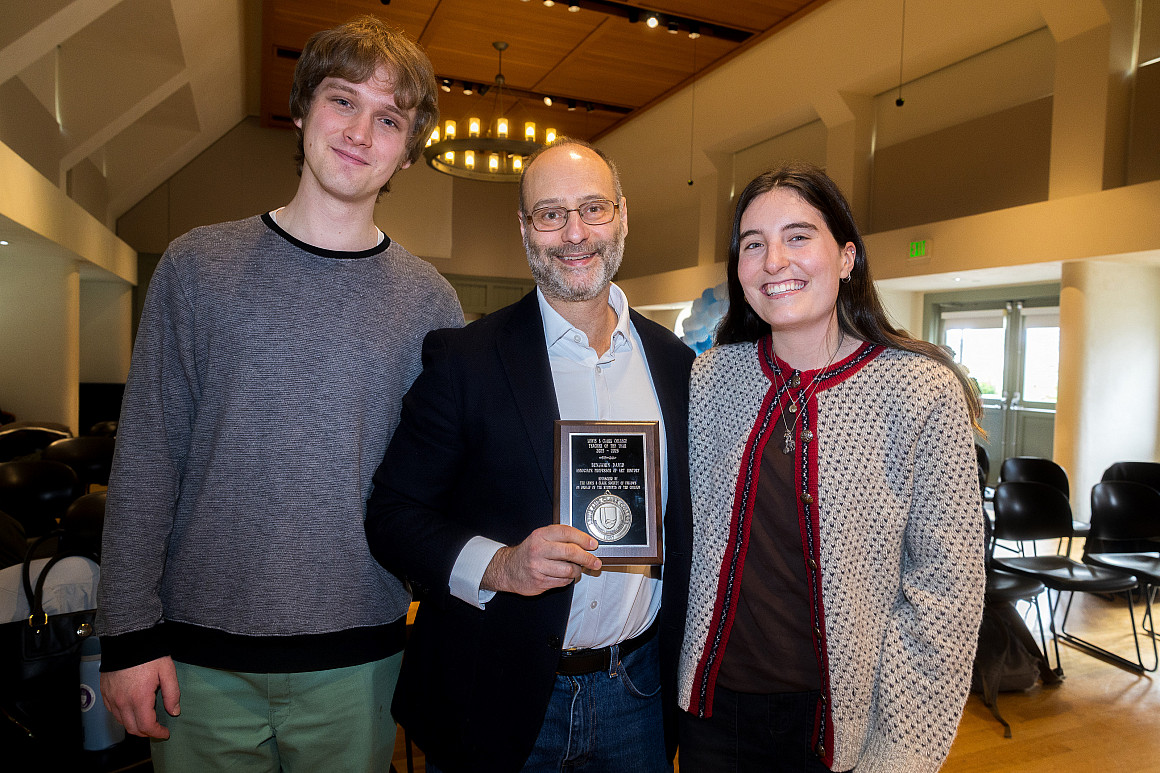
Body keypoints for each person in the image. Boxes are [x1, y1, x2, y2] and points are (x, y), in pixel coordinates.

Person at [95, 16, 462, 772]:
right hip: (197, 661)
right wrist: (127, 636)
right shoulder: (198, 267)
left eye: (388, 118)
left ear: (408, 146)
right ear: (301, 110)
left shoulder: (432, 302)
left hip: (359, 661)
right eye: (342, 101)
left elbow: (441, 479)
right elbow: (145, 461)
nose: (362, 131)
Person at [365, 138, 695, 773]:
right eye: (550, 213)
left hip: (639, 692)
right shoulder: (465, 359)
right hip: (496, 695)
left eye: (593, 208)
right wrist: (500, 566)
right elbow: (392, 513)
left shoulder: (678, 367)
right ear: (525, 229)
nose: (574, 233)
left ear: (622, 215)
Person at [677, 163, 985, 773]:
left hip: (846, 721)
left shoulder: (920, 389)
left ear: (846, 257)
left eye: (798, 236)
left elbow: (947, 591)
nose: (774, 261)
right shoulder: (712, 378)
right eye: (753, 244)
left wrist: (903, 750)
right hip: (715, 712)